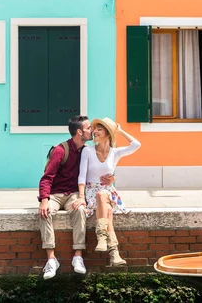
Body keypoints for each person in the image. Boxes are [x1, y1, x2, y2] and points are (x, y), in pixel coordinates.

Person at [38, 115, 95, 280]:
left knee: (80, 210)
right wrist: (44, 200)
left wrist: (110, 178)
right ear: (79, 132)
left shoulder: (87, 151)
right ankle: (51, 260)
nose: (91, 131)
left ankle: (78, 256)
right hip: (55, 194)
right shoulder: (60, 150)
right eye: (89, 128)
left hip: (73, 194)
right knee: (45, 213)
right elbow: (47, 177)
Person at [78, 117, 141, 266]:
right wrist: (81, 196)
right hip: (91, 192)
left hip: (108, 192)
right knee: (107, 210)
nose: (95, 131)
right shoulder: (87, 151)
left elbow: (136, 144)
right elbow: (81, 175)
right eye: (95, 129)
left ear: (108, 134)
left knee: (103, 195)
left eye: (100, 129)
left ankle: (101, 239)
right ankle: (114, 253)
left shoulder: (115, 153)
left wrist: (120, 131)